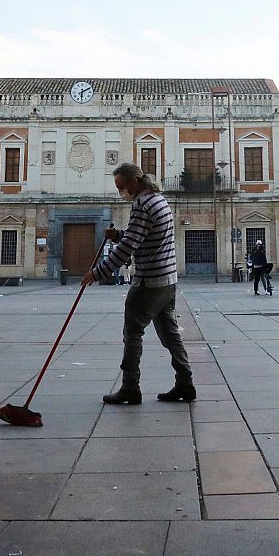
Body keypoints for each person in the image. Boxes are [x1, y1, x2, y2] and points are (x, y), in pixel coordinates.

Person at [84, 162, 195, 405]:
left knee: (132, 332)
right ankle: (186, 383)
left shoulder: (142, 205)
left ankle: (130, 387)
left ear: (135, 181)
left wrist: (97, 273)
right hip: (167, 280)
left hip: (148, 280)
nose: (121, 192)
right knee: (170, 334)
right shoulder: (159, 200)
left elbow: (127, 249)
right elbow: (142, 236)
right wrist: (120, 234)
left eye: (122, 186)